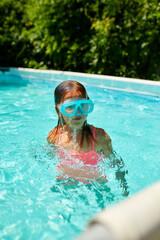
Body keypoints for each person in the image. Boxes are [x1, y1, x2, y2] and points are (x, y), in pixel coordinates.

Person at [47, 80, 123, 185]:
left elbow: (116, 163)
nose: (78, 112)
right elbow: (48, 157)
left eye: (83, 105)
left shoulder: (99, 137)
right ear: (58, 111)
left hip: (95, 184)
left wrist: (123, 186)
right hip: (65, 182)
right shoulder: (54, 137)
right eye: (70, 107)